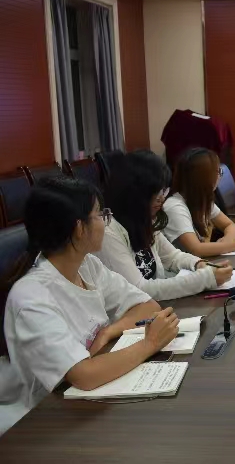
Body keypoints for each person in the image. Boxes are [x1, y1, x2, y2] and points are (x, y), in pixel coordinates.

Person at [0, 177, 178, 434]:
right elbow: (84, 376)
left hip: (89, 397)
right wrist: (150, 343)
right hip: (45, 418)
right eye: (99, 214)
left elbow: (147, 306)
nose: (106, 222)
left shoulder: (87, 265)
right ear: (79, 228)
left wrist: (109, 331)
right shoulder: (32, 297)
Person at [97, 150, 233, 301]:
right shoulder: (108, 231)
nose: (161, 198)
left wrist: (199, 264)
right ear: (135, 193)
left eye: (163, 190)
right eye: (156, 192)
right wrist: (205, 279)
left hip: (159, 307)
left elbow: (173, 257)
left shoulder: (144, 219)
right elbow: (140, 288)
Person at [163, 148, 235, 257]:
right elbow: (196, 249)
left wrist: (227, 241)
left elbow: (229, 225)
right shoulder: (174, 207)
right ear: (202, 178)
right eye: (217, 172)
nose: (219, 176)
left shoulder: (201, 199)